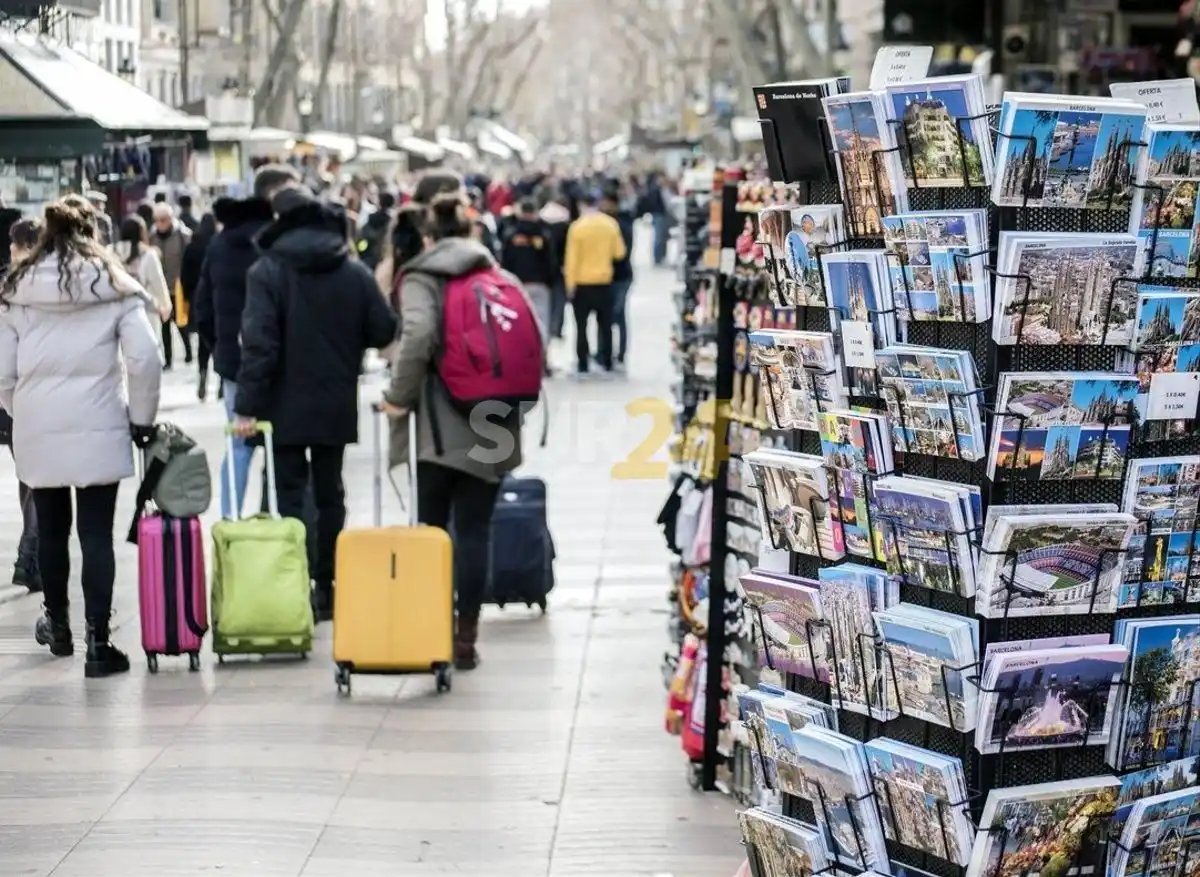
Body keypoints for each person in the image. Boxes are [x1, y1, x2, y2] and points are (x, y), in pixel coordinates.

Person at [0, 198, 161, 677]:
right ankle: (98, 641)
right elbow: (146, 358)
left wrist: (19, 409)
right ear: (94, 233)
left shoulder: (16, 289)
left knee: (50, 529)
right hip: (100, 422)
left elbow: (3, 371)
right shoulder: (114, 285)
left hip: (37, 426)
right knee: (96, 534)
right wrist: (143, 419)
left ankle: (59, 628)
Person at [381, 194, 533, 670]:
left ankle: (434, 629)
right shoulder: (498, 275)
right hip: (498, 421)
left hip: (442, 430)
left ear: (428, 236)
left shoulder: (421, 278)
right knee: (474, 531)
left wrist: (397, 397)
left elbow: (418, 337)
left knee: (433, 531)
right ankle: (466, 638)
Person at [233, 187, 397, 623]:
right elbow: (383, 330)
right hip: (335, 399)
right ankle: (328, 585)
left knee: (289, 493)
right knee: (330, 492)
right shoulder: (353, 272)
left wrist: (246, 407)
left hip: (282, 404)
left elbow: (260, 345)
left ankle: (298, 579)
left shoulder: (266, 272)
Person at [191, 186, 279, 520]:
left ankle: (230, 520)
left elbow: (202, 308)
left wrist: (221, 348)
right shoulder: (275, 244)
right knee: (277, 448)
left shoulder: (218, 245)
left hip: (233, 365)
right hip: (276, 363)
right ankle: (275, 522)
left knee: (238, 444)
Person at [2, 216, 40, 592]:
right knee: (36, 480)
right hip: (35, 398)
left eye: (16, 244)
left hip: (17, 400)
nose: (10, 250)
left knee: (30, 478)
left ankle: (28, 557)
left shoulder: (10, 289)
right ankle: (30, 557)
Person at [564, 191, 626, 376]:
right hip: (604, 281)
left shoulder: (577, 227)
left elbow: (571, 259)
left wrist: (570, 285)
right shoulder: (610, 224)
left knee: (581, 327)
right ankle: (607, 361)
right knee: (605, 325)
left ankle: (583, 363)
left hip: (582, 283)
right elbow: (619, 253)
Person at [500, 199, 557, 366]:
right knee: (542, 322)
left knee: (517, 324)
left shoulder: (510, 235)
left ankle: (519, 357)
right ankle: (542, 359)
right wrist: (549, 281)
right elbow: (551, 261)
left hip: (516, 285)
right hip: (540, 284)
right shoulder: (544, 234)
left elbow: (505, 261)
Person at [149, 203, 192, 369]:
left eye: (164, 220)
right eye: (158, 220)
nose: (160, 223)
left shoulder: (183, 235)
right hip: (161, 288)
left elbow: (189, 259)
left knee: (181, 321)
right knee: (165, 325)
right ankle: (168, 360)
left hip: (178, 286)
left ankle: (188, 352)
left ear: (171, 218)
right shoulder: (152, 237)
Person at [181, 212, 217, 399]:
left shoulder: (193, 245)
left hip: (198, 297)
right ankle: (221, 383)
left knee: (203, 342)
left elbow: (184, 273)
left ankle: (203, 374)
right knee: (219, 340)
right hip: (217, 297)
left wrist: (187, 296)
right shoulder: (218, 244)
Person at [600, 190, 635, 371]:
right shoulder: (608, 223)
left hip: (621, 276)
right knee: (604, 316)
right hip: (606, 276)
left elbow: (622, 252)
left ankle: (620, 353)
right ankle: (603, 352)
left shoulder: (622, 224)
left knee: (618, 315)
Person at [114, 215, 173, 322]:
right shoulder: (148, 254)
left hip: (116, 312)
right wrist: (165, 306)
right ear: (141, 232)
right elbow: (158, 283)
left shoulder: (111, 251)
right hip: (145, 312)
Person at [539, 197, 571, 341]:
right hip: (561, 268)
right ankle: (556, 328)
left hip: (544, 269)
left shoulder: (541, 221)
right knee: (559, 301)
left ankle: (545, 328)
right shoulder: (565, 223)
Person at [639, 172, 670, 266]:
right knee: (658, 237)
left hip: (661, 215)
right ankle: (657, 258)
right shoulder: (655, 189)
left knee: (662, 237)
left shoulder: (660, 189)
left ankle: (661, 257)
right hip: (658, 215)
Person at [356, 191, 393, 271]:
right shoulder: (391, 223)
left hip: (367, 260)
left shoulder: (369, 221)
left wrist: (362, 251)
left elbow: (361, 242)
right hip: (383, 262)